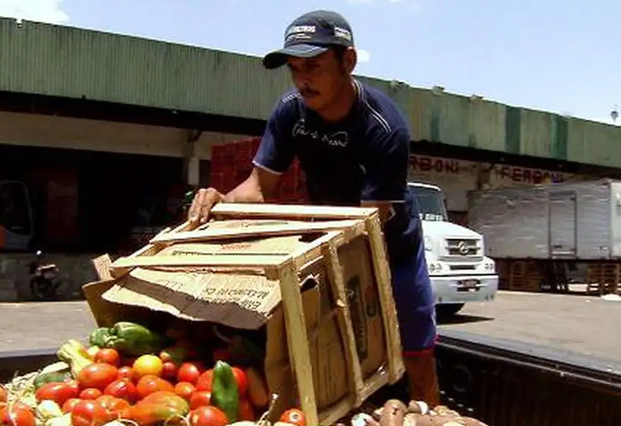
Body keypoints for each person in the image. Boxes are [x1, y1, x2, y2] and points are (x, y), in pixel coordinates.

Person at [187, 9, 440, 406]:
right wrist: (221, 201)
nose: (303, 80)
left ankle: (434, 418)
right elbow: (257, 187)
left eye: (314, 67)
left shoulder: (385, 127)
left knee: (414, 345)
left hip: (390, 243)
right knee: (328, 345)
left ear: (348, 61)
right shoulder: (291, 111)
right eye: (294, 69)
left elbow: (373, 217)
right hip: (327, 235)